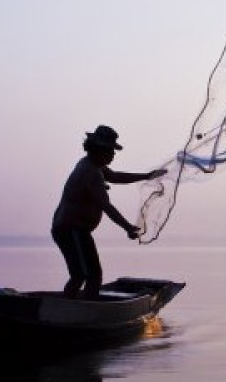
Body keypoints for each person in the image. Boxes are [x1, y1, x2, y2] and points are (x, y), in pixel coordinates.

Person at [52, 125, 166, 300]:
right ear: (99, 150)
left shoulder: (91, 165)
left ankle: (72, 308)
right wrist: (127, 227)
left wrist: (146, 176)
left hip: (71, 229)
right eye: (110, 150)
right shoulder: (90, 171)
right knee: (90, 275)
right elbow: (107, 207)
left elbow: (116, 177)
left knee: (83, 274)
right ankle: (81, 313)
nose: (113, 155)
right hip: (71, 230)